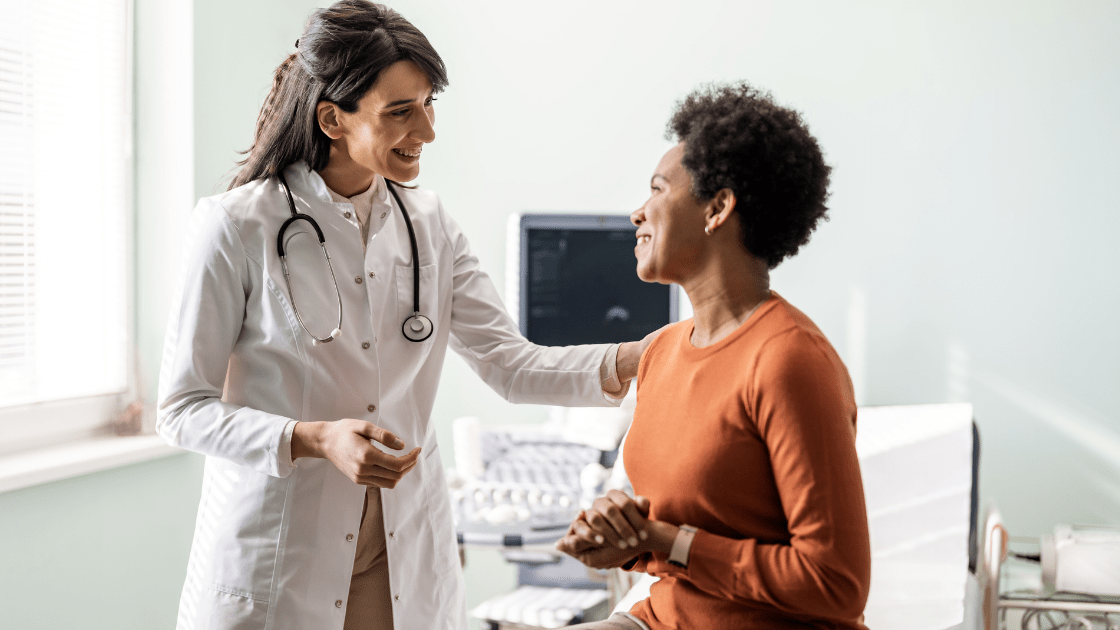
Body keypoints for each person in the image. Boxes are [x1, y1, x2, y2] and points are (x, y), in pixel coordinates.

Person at [156, 3, 654, 629]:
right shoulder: (236, 225)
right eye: (400, 111)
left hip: (400, 560)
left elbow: (511, 365)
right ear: (332, 119)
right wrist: (314, 439)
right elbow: (182, 411)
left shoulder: (429, 224)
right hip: (283, 560)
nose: (427, 129)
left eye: (428, 104)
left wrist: (653, 355)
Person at [556, 83, 872, 630]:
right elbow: (689, 524)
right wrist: (626, 541)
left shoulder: (789, 361)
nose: (638, 212)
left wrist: (664, 542)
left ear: (718, 208)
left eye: (657, 189)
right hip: (665, 618)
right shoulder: (661, 352)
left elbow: (835, 583)